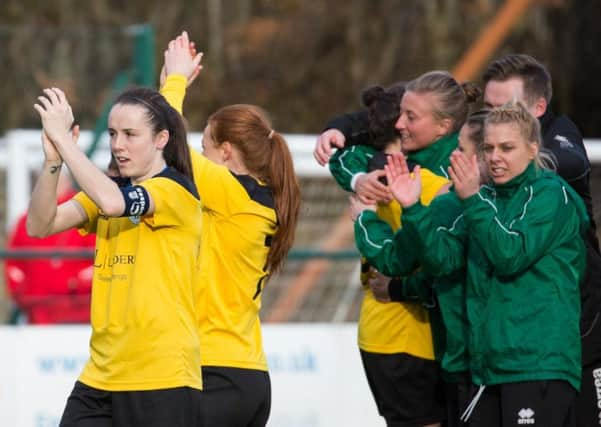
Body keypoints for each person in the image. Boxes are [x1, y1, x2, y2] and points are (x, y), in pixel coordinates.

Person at [389, 101, 586, 426]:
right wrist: (412, 208)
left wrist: (471, 199)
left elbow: (509, 254)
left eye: (507, 147)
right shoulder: (485, 199)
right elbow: (443, 260)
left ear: (533, 147)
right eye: (489, 147)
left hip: (537, 366)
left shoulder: (551, 195)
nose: (495, 157)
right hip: (487, 369)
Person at [29, 86, 203, 426]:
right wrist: (54, 160)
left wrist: (63, 139)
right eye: (112, 134)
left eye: (130, 134)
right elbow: (40, 225)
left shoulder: (174, 191)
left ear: (161, 139)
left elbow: (113, 204)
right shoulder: (112, 190)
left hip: (162, 376)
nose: (117, 145)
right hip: (101, 375)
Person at [160, 31, 301, 427]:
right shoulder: (257, 198)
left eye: (205, 148)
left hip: (216, 372)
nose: (200, 157)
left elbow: (167, 148)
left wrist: (173, 83)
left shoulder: (232, 192)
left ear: (225, 153)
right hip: (246, 374)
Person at [481, 53, 601, 426]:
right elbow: (428, 101)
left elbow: (569, 163)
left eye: (506, 109)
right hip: (520, 337)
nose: (494, 120)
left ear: (539, 107)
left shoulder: (559, 138)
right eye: (487, 109)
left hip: (582, 319)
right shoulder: (486, 141)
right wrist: (348, 129)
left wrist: (497, 163)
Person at [351, 110, 491, 427]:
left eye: (412, 116)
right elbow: (411, 261)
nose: (402, 124)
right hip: (418, 345)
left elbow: (420, 264)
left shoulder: (444, 192)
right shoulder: (434, 189)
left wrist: (364, 215)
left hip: (415, 344)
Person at [346, 84, 449, 427]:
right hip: (408, 340)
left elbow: (340, 156)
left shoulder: (365, 178)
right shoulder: (428, 184)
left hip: (381, 335)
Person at [324, 71, 480, 204]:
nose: (398, 124)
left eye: (411, 117)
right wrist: (358, 180)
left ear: (443, 126)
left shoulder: (461, 171)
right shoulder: (406, 147)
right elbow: (348, 156)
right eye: (400, 113)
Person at [5, 170, 95, 324]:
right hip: (36, 312)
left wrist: (75, 283)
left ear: (67, 183)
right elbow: (13, 264)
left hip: (78, 312)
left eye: (57, 182)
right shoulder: (26, 221)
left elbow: (99, 260)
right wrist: (23, 291)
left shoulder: (86, 215)